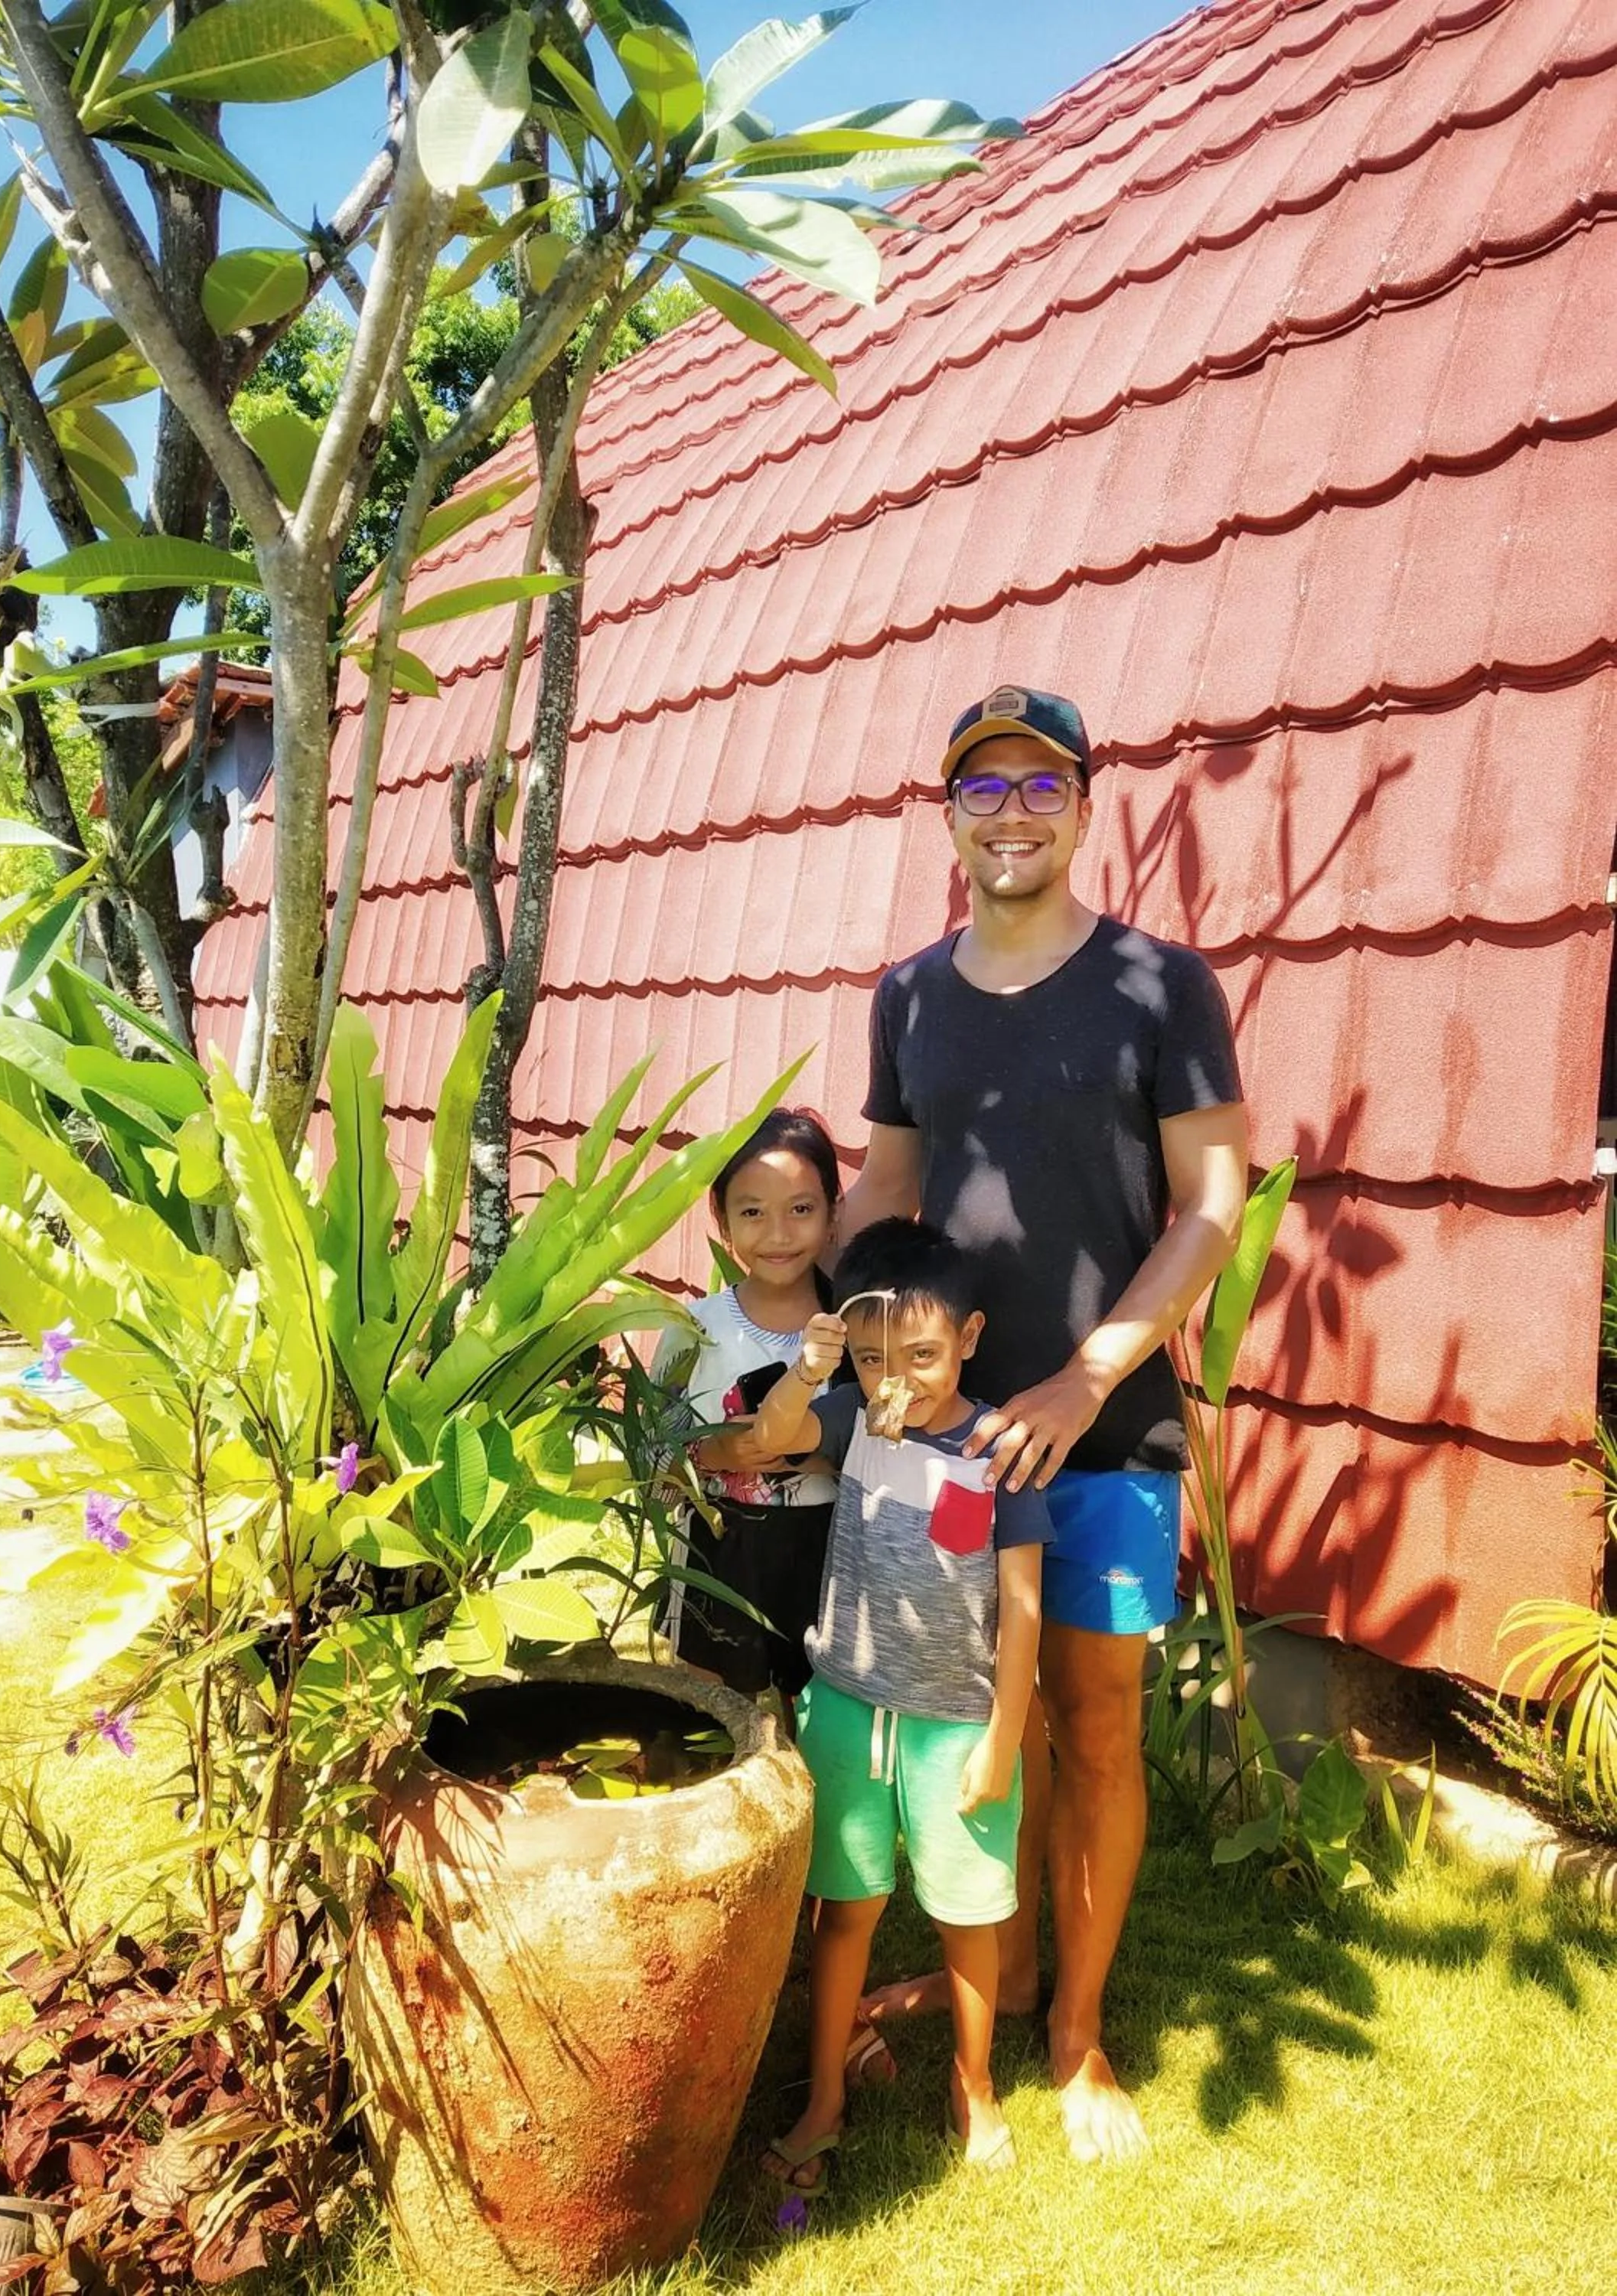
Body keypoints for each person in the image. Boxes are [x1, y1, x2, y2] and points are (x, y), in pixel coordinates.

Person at [836, 684, 1248, 2164]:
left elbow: (1210, 1207)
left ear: (1083, 805)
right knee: (963, 1714)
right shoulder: (908, 998)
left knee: (1096, 1724)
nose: (1010, 813)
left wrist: (1086, 1378)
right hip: (945, 1443)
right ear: (949, 816)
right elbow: (889, 1192)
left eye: (1038, 786)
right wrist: (808, 1334)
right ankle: (999, 1976)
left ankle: (1077, 2034)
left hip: (1107, 1436)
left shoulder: (1159, 987)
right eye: (981, 788)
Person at [748, 1218, 1049, 2188]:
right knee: (845, 1910)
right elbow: (773, 1437)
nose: (900, 1379)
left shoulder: (1000, 1453)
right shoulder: (850, 1415)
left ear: (969, 1336)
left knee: (968, 1916)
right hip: (846, 1707)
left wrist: (1003, 1738)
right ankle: (824, 2100)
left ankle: (975, 2085)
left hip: (957, 1724)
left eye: (922, 1355)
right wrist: (810, 1371)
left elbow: (1024, 1606)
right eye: (875, 1358)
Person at [654, 1108, 843, 1701]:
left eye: (801, 1209)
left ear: (834, 1213)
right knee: (710, 1709)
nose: (779, 1234)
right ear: (723, 1220)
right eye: (753, 1212)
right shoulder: (693, 1328)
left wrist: (814, 1455)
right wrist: (715, 1452)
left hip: (830, 1549)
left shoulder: (855, 1328)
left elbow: (891, 1439)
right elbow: (653, 1450)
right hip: (719, 1548)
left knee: (815, 1712)